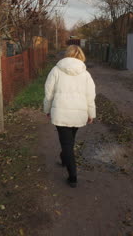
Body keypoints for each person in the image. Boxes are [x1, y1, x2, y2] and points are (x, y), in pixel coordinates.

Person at [43, 45, 96, 188]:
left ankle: (73, 177)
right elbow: (90, 96)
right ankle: (64, 158)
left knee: (67, 143)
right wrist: (91, 114)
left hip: (60, 112)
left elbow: (49, 92)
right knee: (69, 141)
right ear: (81, 57)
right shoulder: (85, 74)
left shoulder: (55, 70)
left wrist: (47, 109)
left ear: (66, 54)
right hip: (79, 114)